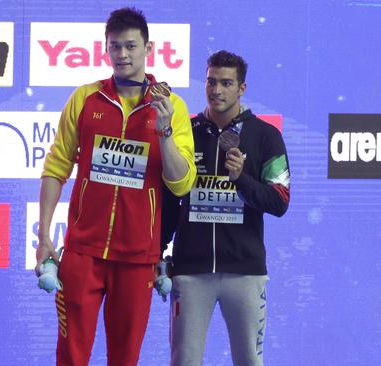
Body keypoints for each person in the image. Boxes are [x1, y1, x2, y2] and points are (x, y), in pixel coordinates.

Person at [35, 7, 196, 366]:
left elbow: (181, 182)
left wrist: (165, 131)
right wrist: (44, 235)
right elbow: (56, 167)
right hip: (82, 253)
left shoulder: (173, 107)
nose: (122, 55)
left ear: (148, 48)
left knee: (125, 359)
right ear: (106, 49)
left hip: (138, 258)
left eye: (131, 46)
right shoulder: (85, 99)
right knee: (71, 357)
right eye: (115, 47)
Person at [162, 50, 291, 366]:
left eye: (226, 83)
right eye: (211, 81)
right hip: (191, 271)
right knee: (184, 361)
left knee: (249, 360)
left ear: (241, 88)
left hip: (245, 272)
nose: (216, 90)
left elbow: (279, 201)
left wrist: (242, 179)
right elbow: (168, 200)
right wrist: (157, 251)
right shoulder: (185, 133)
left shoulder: (266, 136)